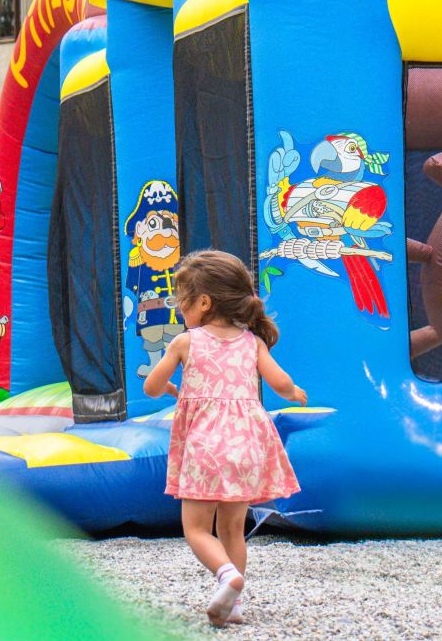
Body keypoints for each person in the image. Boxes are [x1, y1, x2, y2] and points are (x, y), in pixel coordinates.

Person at [142, 250, 306, 627]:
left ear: (203, 302)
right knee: (233, 529)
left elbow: (150, 387)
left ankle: (226, 576)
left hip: (205, 448)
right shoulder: (252, 343)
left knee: (197, 529)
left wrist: (169, 387)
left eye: (181, 299)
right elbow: (280, 383)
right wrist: (295, 393)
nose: (179, 307)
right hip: (247, 445)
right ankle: (234, 606)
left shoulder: (186, 342)